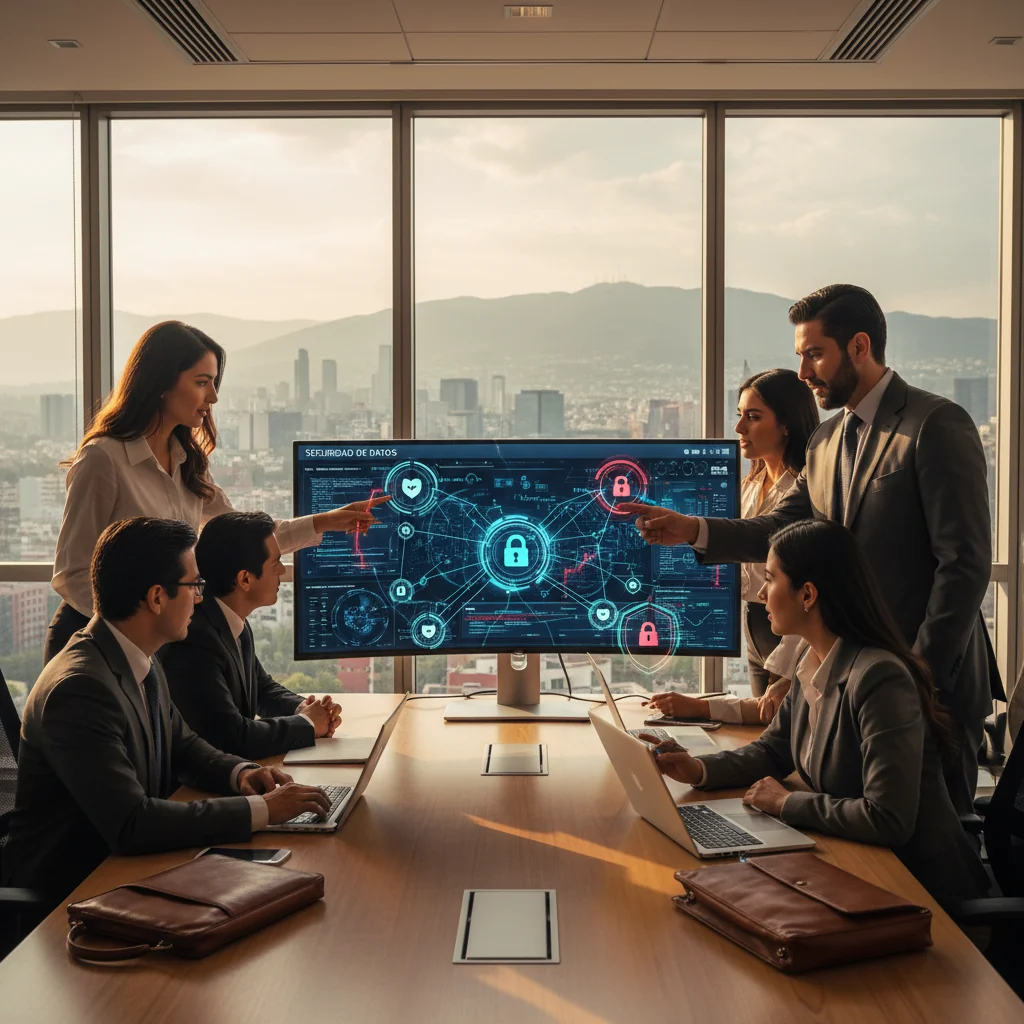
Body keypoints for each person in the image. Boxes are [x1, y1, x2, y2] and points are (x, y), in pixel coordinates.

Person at [621, 284, 994, 816]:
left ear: (860, 347)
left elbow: (964, 566)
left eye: (814, 354)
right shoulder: (825, 442)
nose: (803, 372)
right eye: (800, 355)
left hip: (930, 686)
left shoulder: (934, 425)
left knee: (930, 851)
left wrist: (918, 675)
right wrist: (694, 530)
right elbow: (779, 527)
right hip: (855, 682)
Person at [642, 520, 989, 913]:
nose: (760, 592)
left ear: (807, 594)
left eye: (770, 579)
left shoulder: (879, 677)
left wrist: (786, 803)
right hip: (861, 871)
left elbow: (888, 818)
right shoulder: (814, 658)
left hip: (923, 895)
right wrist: (697, 770)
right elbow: (773, 750)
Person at [2, 517, 332, 911]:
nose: (200, 598)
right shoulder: (79, 689)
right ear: (157, 598)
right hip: (69, 900)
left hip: (128, 873)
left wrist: (242, 773)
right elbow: (132, 824)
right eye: (194, 585)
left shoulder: (135, 655)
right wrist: (262, 810)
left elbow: (184, 744)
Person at [45, 320, 390, 662]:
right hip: (92, 647)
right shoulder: (103, 459)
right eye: (201, 383)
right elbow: (71, 574)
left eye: (213, 383)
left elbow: (244, 538)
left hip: (152, 646)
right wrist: (135, 632)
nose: (213, 396)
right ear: (161, 383)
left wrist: (326, 522)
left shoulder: (188, 462)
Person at [161, 511, 341, 760]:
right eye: (275, 562)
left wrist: (304, 708)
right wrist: (307, 724)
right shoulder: (195, 640)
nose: (281, 571)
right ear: (245, 579)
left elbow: (261, 688)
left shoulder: (231, 620)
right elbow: (232, 737)